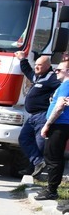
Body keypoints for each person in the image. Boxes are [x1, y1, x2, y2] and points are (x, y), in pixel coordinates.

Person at [14, 51, 60, 177]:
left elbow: (63, 86)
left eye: (39, 65)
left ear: (47, 66)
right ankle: (37, 163)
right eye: (36, 65)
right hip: (32, 116)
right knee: (24, 139)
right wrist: (22, 59)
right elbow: (28, 71)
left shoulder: (52, 77)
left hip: (42, 115)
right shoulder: (38, 76)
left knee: (39, 145)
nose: (36, 67)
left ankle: (34, 172)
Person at [37, 59, 69, 201]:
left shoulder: (66, 85)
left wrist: (47, 124)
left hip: (59, 124)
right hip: (61, 124)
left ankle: (51, 190)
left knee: (52, 157)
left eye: (59, 70)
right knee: (54, 156)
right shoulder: (63, 85)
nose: (55, 72)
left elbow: (60, 106)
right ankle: (51, 188)